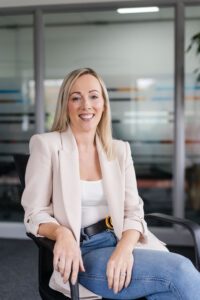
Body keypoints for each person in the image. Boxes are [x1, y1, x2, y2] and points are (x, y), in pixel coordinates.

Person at [21, 67, 200, 300]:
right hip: (83, 254)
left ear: (103, 104)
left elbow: (134, 211)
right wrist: (62, 233)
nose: (86, 105)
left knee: (172, 288)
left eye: (94, 96)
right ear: (66, 104)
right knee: (180, 272)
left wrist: (124, 250)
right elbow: (33, 213)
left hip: (123, 242)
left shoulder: (119, 150)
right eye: (76, 98)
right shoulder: (46, 145)